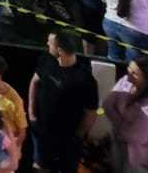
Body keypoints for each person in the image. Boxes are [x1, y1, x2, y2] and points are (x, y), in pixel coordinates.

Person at [28, 31, 98, 173]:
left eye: (50, 42)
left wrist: (78, 136)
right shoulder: (47, 59)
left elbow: (91, 112)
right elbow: (35, 81)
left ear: (59, 50)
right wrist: (32, 113)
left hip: (67, 140)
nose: (47, 44)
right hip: (41, 131)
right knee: (40, 166)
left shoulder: (85, 80)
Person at [100, 56, 148, 173]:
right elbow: (107, 104)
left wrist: (117, 122)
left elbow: (136, 137)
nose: (128, 76)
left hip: (141, 161)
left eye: (135, 74)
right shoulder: (125, 82)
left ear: (147, 80)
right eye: (129, 69)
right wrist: (124, 124)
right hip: (120, 144)